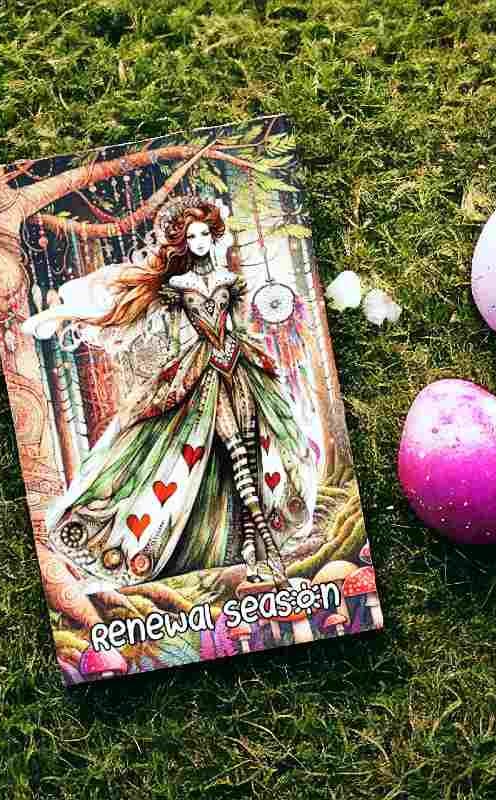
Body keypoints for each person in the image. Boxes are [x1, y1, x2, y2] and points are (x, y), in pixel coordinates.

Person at [24, 195, 310, 588]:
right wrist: (60, 314)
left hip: (239, 365)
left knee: (251, 452)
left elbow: (238, 326)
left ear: (213, 235)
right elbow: (133, 321)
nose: (199, 242)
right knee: (236, 456)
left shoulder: (229, 282)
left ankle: (251, 545)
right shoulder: (177, 286)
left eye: (204, 234)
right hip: (202, 371)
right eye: (191, 236)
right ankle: (267, 554)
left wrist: (258, 350)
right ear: (181, 242)